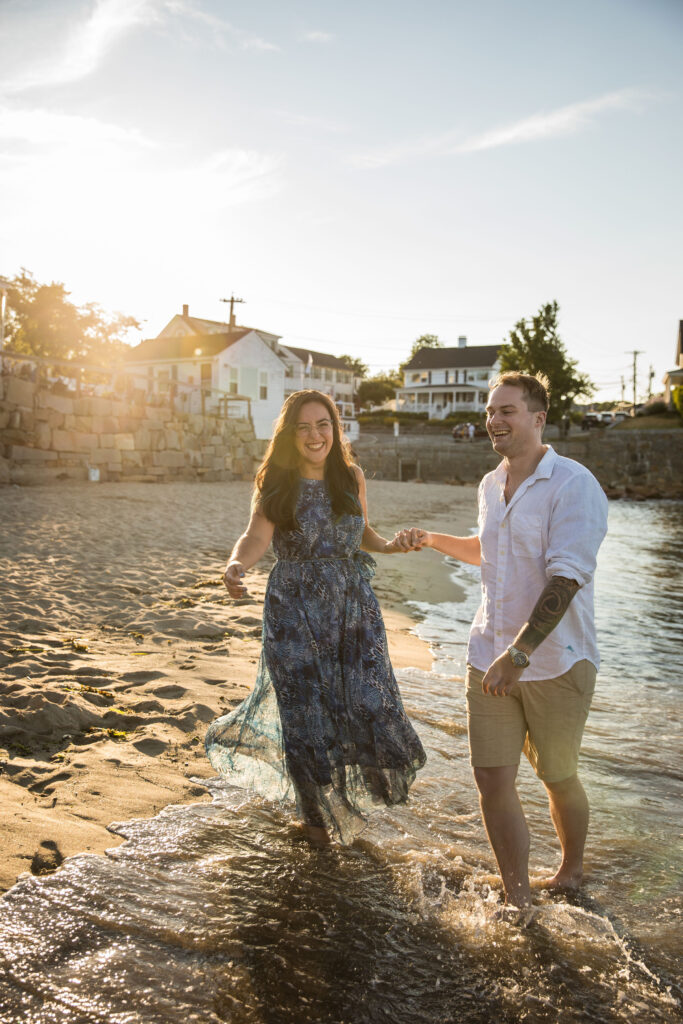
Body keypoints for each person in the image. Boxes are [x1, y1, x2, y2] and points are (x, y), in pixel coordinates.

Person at [397, 371, 607, 908]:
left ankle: (572, 871)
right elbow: (489, 551)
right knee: (492, 777)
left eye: (507, 410)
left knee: (558, 777)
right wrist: (433, 540)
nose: (494, 420)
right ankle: (517, 896)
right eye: (491, 411)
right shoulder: (491, 484)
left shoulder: (574, 485)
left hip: (556, 662)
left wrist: (520, 654)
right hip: (487, 655)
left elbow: (566, 579)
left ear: (538, 419)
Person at [205, 389, 426, 846]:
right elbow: (255, 535)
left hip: (352, 612)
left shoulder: (351, 476)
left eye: (322, 424)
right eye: (303, 426)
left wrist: (389, 545)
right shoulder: (276, 483)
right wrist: (236, 565)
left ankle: (354, 801)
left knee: (364, 702)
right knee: (303, 713)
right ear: (290, 433)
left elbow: (361, 530)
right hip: (293, 610)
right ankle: (314, 820)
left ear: (334, 428)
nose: (314, 434)